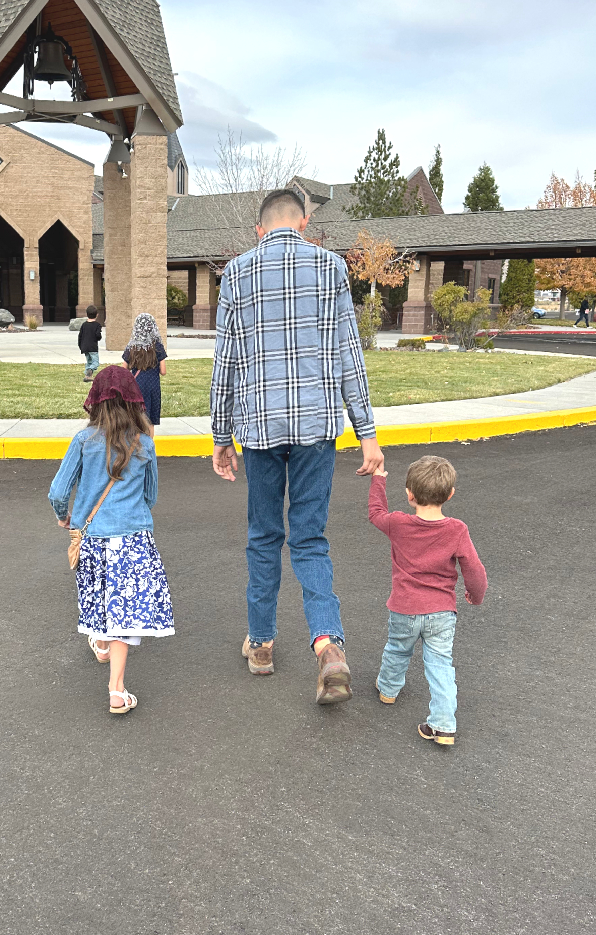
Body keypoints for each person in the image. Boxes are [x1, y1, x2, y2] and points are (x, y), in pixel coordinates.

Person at [210, 188, 384, 705]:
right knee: (309, 538)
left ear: (259, 229)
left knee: (264, 535)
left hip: (260, 430)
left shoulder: (237, 273)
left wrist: (222, 437)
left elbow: (226, 366)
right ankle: (328, 645)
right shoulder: (331, 267)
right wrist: (367, 432)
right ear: (304, 223)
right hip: (316, 430)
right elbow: (349, 355)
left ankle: (261, 645)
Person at [48, 365, 174, 714]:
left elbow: (58, 491)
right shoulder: (144, 443)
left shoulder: (83, 442)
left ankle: (100, 645)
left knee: (99, 596)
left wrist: (65, 516)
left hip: (92, 537)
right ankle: (116, 690)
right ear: (134, 400)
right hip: (133, 538)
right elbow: (150, 495)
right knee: (123, 611)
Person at [367, 456, 488, 746]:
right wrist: (476, 594)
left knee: (397, 649)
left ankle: (388, 689)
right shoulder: (457, 529)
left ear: (409, 494)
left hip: (404, 607)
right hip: (442, 611)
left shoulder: (398, 523)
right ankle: (444, 724)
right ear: (449, 494)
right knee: (440, 663)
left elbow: (375, 512)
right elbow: (473, 568)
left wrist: (378, 478)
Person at [122, 312, 167, 435]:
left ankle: (136, 447)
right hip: (153, 387)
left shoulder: (132, 347)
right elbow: (163, 371)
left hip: (137, 386)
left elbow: (123, 368)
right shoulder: (157, 346)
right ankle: (149, 448)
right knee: (150, 420)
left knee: (137, 417)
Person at [78, 305, 103, 381]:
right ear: (97, 315)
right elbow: (98, 336)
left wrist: (80, 346)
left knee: (89, 361)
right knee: (95, 362)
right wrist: (99, 337)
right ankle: (89, 370)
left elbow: (80, 336)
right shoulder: (97, 325)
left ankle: (87, 376)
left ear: (87, 314)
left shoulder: (84, 325)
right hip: (93, 347)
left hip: (85, 347)